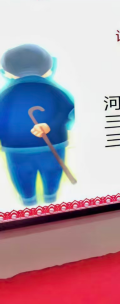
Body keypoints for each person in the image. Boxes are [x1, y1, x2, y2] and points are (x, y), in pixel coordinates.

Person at [0, 44, 75, 206]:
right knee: (52, 174)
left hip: (16, 149)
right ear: (47, 68)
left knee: (23, 178)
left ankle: (29, 204)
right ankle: (51, 201)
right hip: (53, 145)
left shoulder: (6, 93)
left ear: (8, 70)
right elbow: (67, 111)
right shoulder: (54, 90)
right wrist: (51, 126)